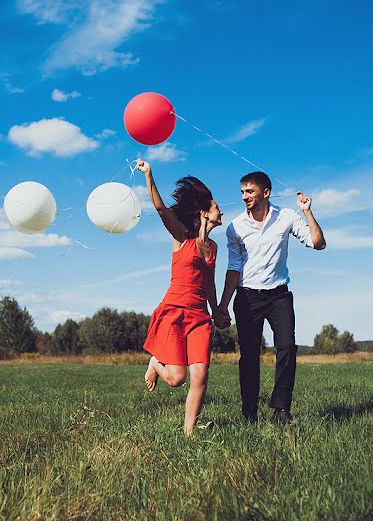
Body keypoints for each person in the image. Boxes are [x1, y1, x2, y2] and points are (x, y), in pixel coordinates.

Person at [214, 171, 326, 424]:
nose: (244, 197)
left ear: (265, 193)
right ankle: (249, 413)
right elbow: (233, 268)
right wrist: (222, 305)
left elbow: (318, 243)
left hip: (278, 295)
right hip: (247, 296)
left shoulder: (286, 217)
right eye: (242, 192)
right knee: (250, 355)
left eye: (249, 191)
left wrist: (307, 211)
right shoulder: (235, 227)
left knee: (287, 347)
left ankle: (281, 410)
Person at [137, 158, 225, 435]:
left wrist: (219, 308)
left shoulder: (214, 247)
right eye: (216, 207)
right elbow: (161, 209)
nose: (221, 211)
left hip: (200, 317)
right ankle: (155, 362)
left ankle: (189, 432)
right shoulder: (181, 237)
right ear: (204, 213)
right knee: (176, 379)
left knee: (201, 374)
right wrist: (149, 175)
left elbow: (209, 282)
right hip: (175, 312)